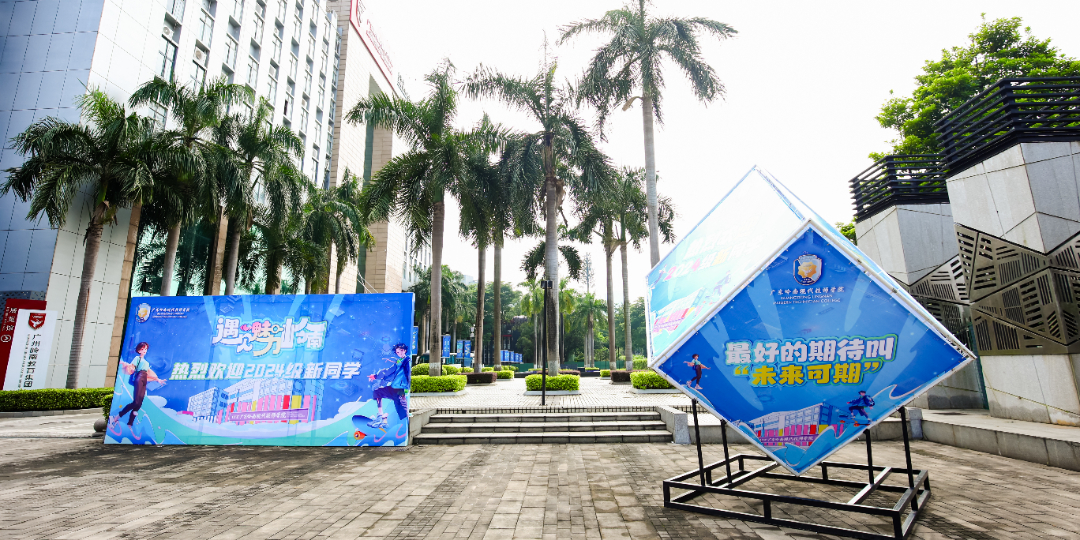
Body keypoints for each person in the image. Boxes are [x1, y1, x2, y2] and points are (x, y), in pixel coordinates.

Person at [110, 342, 166, 438]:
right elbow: (132, 367)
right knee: (136, 402)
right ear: (139, 350)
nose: (144, 351)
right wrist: (125, 365)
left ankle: (129, 424)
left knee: (139, 404)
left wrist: (158, 380)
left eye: (145, 349)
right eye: (142, 349)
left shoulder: (146, 362)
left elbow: (148, 373)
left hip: (144, 379)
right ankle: (116, 417)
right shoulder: (137, 358)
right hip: (139, 378)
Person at [367, 343, 411, 429]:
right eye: (397, 352)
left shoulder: (407, 361)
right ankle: (380, 417)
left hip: (400, 389)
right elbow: (388, 372)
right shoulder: (399, 362)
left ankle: (403, 428)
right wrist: (376, 376)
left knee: (402, 411)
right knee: (377, 392)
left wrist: (407, 387)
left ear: (405, 350)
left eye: (401, 351)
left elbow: (408, 374)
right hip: (393, 387)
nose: (400, 353)